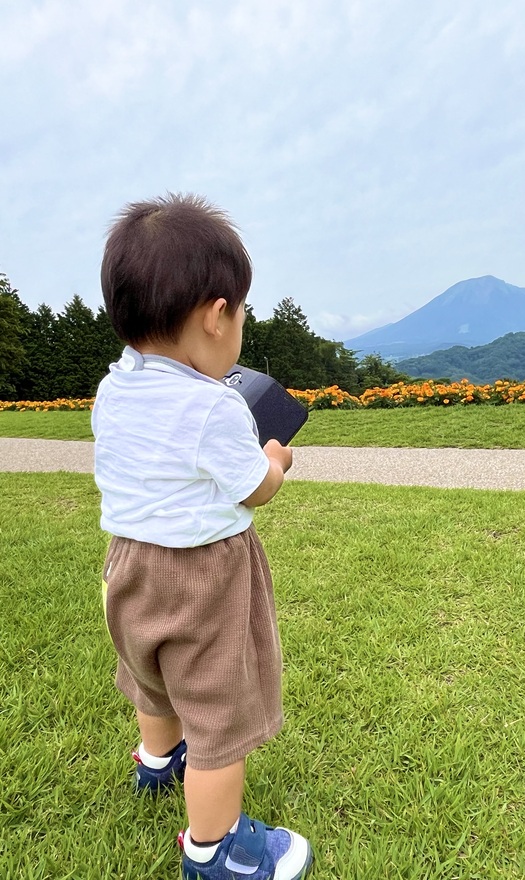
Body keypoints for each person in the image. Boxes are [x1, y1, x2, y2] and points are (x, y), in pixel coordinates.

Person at [92, 193, 313, 880]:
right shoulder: (214, 406)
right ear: (218, 315)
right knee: (218, 717)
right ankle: (216, 851)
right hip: (202, 577)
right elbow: (254, 488)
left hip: (126, 570)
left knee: (151, 680)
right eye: (241, 310)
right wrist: (275, 458)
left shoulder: (111, 389)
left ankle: (157, 763)